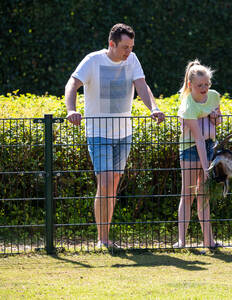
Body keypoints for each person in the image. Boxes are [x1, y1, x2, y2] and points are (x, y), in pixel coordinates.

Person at [64, 23, 165, 249]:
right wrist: (71, 110)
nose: (128, 52)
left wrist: (154, 108)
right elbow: (72, 84)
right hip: (98, 133)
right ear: (112, 44)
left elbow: (142, 85)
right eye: (124, 47)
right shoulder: (92, 61)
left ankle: (105, 237)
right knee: (106, 182)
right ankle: (103, 239)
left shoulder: (133, 59)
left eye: (131, 47)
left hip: (124, 135)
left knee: (112, 184)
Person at [174, 59, 222, 249]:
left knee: (204, 195)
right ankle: (181, 241)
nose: (204, 88)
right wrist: (207, 167)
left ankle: (208, 241)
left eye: (206, 84)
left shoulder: (214, 96)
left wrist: (216, 117)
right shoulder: (188, 105)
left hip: (210, 145)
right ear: (190, 85)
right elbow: (198, 139)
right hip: (190, 148)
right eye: (199, 85)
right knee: (187, 195)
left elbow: (217, 122)